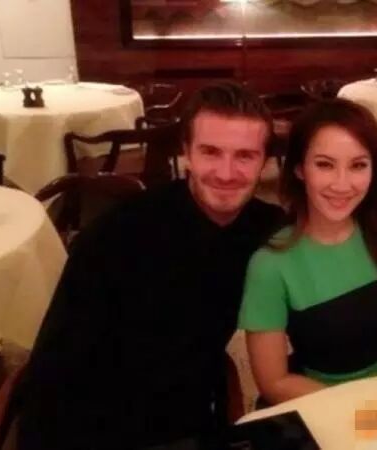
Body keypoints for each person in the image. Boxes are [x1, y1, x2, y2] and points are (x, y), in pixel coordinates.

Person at [17, 81, 285, 449]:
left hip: (190, 422)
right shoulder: (112, 238)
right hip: (90, 429)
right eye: (210, 152)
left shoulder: (266, 228)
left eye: (245, 156)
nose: (226, 173)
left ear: (265, 162)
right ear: (186, 154)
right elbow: (53, 376)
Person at [238, 98, 377, 406]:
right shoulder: (270, 264)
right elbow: (274, 381)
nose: (342, 185)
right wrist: (363, 411)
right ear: (299, 169)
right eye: (325, 164)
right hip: (319, 404)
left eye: (358, 165)